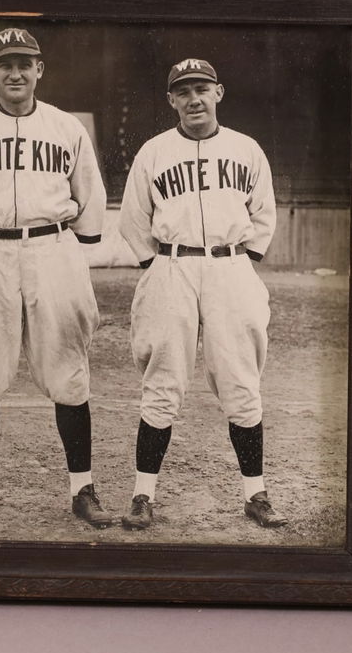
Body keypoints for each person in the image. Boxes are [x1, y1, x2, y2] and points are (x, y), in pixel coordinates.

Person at [0, 27, 112, 529]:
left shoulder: (65, 127)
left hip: (53, 248)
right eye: (5, 63)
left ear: (40, 70)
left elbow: (89, 191)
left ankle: (83, 489)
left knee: (68, 372)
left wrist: (78, 241)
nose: (16, 72)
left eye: (25, 63)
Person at [115, 57, 285, 531]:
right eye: (183, 91)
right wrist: (159, 264)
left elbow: (264, 213)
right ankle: (142, 496)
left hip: (230, 268)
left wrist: (237, 263)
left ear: (219, 93)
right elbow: (132, 219)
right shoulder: (153, 152)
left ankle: (256, 494)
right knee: (162, 384)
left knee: (242, 384)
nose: (193, 98)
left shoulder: (246, 149)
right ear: (171, 99)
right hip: (171, 266)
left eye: (201, 89)